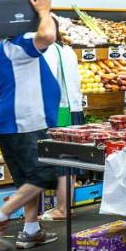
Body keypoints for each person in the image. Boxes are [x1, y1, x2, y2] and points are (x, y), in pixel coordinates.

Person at [0, 0, 60, 251]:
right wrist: (44, 11)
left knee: (26, 179)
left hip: (9, 124)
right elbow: (48, 36)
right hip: (27, 123)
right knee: (45, 173)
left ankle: (31, 229)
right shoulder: (21, 44)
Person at [41, 26, 84, 221]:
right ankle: (68, 205)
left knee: (63, 162)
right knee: (72, 161)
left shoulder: (49, 51)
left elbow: (47, 83)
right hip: (74, 109)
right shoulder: (67, 49)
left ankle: (62, 209)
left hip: (60, 110)